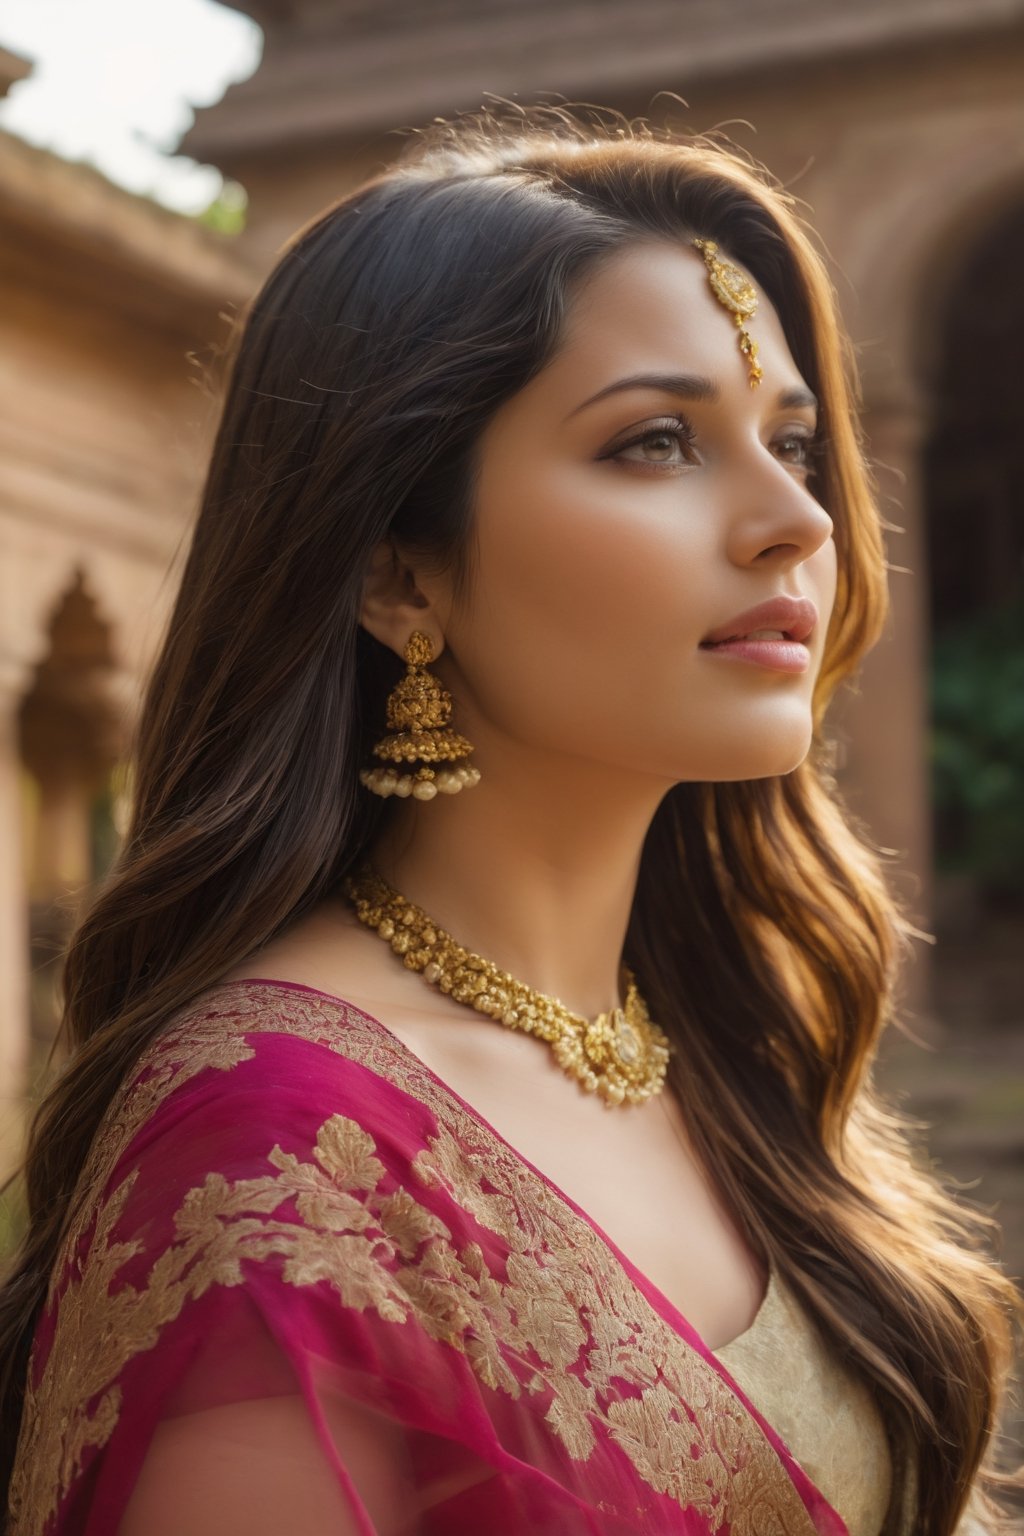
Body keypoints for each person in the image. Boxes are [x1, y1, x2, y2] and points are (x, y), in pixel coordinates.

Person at [0, 105, 1019, 1536]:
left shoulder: (728, 1048)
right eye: (657, 443)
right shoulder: (280, 1155)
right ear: (399, 576)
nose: (793, 516)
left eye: (789, 439)